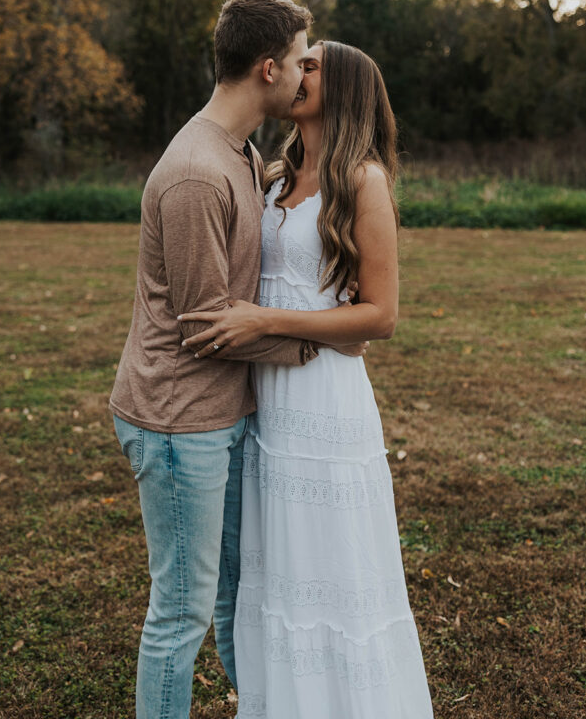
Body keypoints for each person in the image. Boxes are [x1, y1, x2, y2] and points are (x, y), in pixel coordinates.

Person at [109, 0, 365, 719]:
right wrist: (317, 337)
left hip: (219, 414)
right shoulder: (197, 171)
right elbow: (203, 325)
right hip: (177, 421)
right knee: (181, 612)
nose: (305, 71)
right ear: (266, 68)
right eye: (299, 58)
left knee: (234, 596)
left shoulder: (243, 155)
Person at [179, 40, 435, 718]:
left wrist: (264, 320)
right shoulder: (270, 176)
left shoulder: (364, 181)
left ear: (342, 89)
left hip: (326, 402)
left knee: (333, 571)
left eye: (312, 65)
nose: (295, 72)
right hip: (265, 403)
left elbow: (379, 316)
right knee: (280, 575)